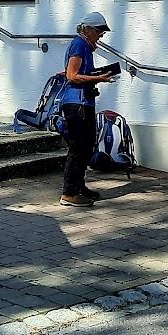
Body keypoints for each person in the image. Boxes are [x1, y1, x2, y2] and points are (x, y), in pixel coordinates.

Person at [59, 11, 117, 208]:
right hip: (77, 104)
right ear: (88, 29)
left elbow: (73, 72)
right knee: (78, 148)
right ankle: (69, 193)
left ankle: (79, 187)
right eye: (99, 32)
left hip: (84, 102)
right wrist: (99, 78)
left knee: (85, 146)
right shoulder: (79, 44)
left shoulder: (84, 46)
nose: (101, 36)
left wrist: (95, 75)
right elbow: (72, 76)